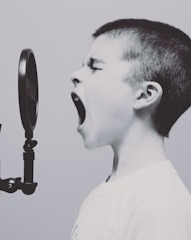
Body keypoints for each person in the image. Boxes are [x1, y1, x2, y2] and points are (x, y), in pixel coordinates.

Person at [70, 18, 191, 240]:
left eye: (95, 67)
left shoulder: (160, 203)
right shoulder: (102, 195)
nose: (75, 75)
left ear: (145, 95)